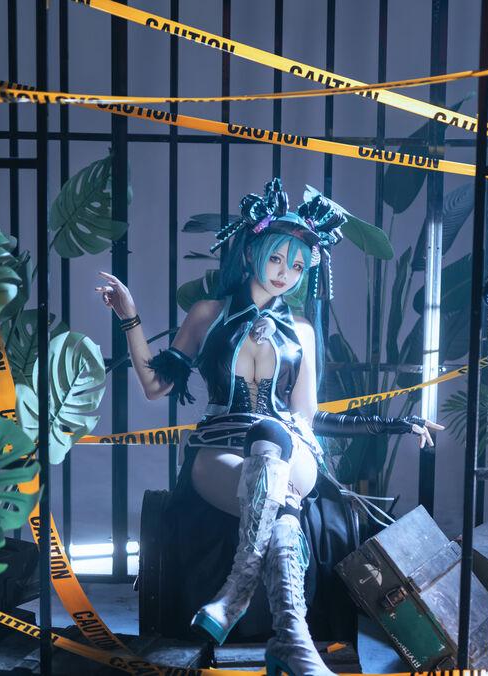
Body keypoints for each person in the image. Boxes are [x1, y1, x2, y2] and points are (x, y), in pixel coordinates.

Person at [96, 178, 441, 676]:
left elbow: (306, 416)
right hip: (220, 446)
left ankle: (234, 596)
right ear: (252, 253)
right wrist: (130, 318)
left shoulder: (301, 331)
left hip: (291, 446)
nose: (285, 273)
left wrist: (393, 424)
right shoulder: (209, 314)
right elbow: (156, 385)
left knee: (274, 434)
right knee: (281, 509)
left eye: (297, 266)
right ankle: (291, 639)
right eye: (277, 259)